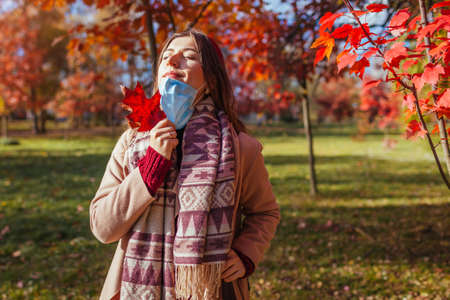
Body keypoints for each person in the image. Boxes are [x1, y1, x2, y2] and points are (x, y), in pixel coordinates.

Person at [90, 30, 280, 300]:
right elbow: (103, 227)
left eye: (189, 56)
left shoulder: (239, 148)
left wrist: (246, 253)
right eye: (166, 56)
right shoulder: (130, 142)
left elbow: (265, 213)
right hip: (136, 288)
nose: (173, 60)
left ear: (212, 79)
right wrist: (151, 166)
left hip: (211, 290)